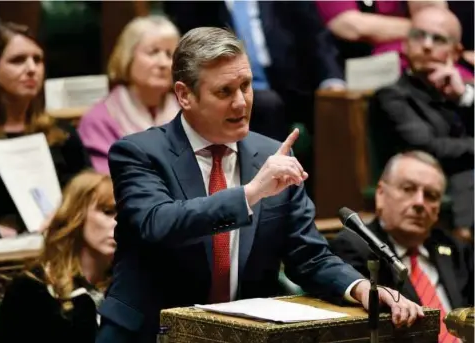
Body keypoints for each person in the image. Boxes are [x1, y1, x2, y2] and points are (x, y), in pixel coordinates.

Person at [96, 27, 423, 343]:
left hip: (240, 335)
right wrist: (251, 194)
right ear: (184, 95)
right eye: (224, 91)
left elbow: (307, 255)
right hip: (150, 334)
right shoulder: (139, 152)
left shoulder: (272, 155)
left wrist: (361, 287)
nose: (241, 102)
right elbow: (158, 223)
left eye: (246, 85)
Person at [331, 151, 474, 343]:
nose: (419, 203)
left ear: (439, 208)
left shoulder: (454, 248)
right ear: (380, 194)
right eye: (408, 189)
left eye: (431, 196)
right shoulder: (354, 248)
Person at [0, 22, 91, 250]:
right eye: (18, 60)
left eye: (38, 60)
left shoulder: (62, 134)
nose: (31, 69)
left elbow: (88, 193)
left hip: (62, 246)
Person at [163, 1, 345, 142]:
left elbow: (316, 36)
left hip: (294, 88)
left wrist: (332, 80)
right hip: (226, 91)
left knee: (336, 107)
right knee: (267, 104)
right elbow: (188, 48)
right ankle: (273, 185)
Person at [368, 6, 474, 242]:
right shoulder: (392, 95)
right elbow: (427, 147)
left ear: (456, 52)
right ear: (405, 44)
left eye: (438, 39)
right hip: (420, 183)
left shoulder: (463, 91)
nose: (426, 45)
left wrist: (464, 98)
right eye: (418, 36)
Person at [0, 171, 116, 343]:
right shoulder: (31, 289)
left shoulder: (128, 286)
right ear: (76, 215)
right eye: (108, 211)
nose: (119, 223)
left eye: (125, 214)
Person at [78, 16, 180, 174]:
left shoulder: (190, 111)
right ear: (128, 57)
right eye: (153, 52)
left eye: (169, 54)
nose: (163, 63)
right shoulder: (99, 120)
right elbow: (105, 186)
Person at [315, 0, 473, 80]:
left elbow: (438, 17)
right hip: (359, 68)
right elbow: (350, 26)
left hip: (420, 61)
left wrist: (423, 32)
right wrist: (423, 30)